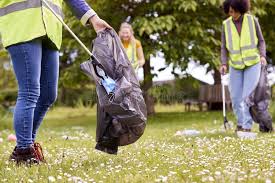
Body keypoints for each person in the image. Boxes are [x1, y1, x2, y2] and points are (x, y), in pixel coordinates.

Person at [0, 0, 111, 164]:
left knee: (48, 95)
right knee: (30, 91)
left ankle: (26, 147)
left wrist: (93, 18)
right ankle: (24, 151)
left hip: (51, 30)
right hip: (22, 26)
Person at [220, 0, 267, 133]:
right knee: (235, 97)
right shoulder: (226, 25)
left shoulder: (252, 20)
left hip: (252, 63)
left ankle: (247, 126)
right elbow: (223, 47)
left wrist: (262, 55)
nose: (232, 14)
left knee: (247, 96)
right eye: (229, 11)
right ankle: (240, 123)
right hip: (235, 65)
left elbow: (261, 41)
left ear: (241, 8)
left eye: (234, 11)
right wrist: (224, 63)